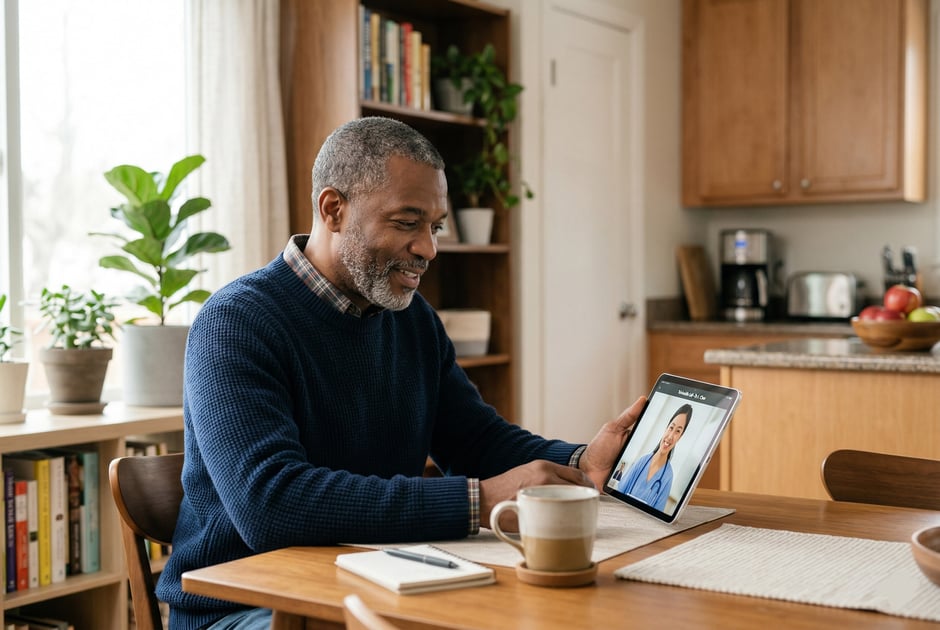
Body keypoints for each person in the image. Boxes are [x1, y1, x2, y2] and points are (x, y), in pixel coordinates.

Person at [155, 116, 644, 630]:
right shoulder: (237, 322)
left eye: (434, 226)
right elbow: (271, 505)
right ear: (333, 209)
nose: (428, 249)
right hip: (244, 609)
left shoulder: (411, 320)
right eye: (407, 223)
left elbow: (475, 440)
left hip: (376, 584)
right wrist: (478, 502)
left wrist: (582, 459)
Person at [617, 403, 692, 511]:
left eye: (678, 431)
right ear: (666, 428)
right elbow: (619, 492)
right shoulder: (642, 461)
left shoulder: (668, 476)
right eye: (671, 427)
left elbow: (658, 512)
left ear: (680, 437)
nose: (670, 436)